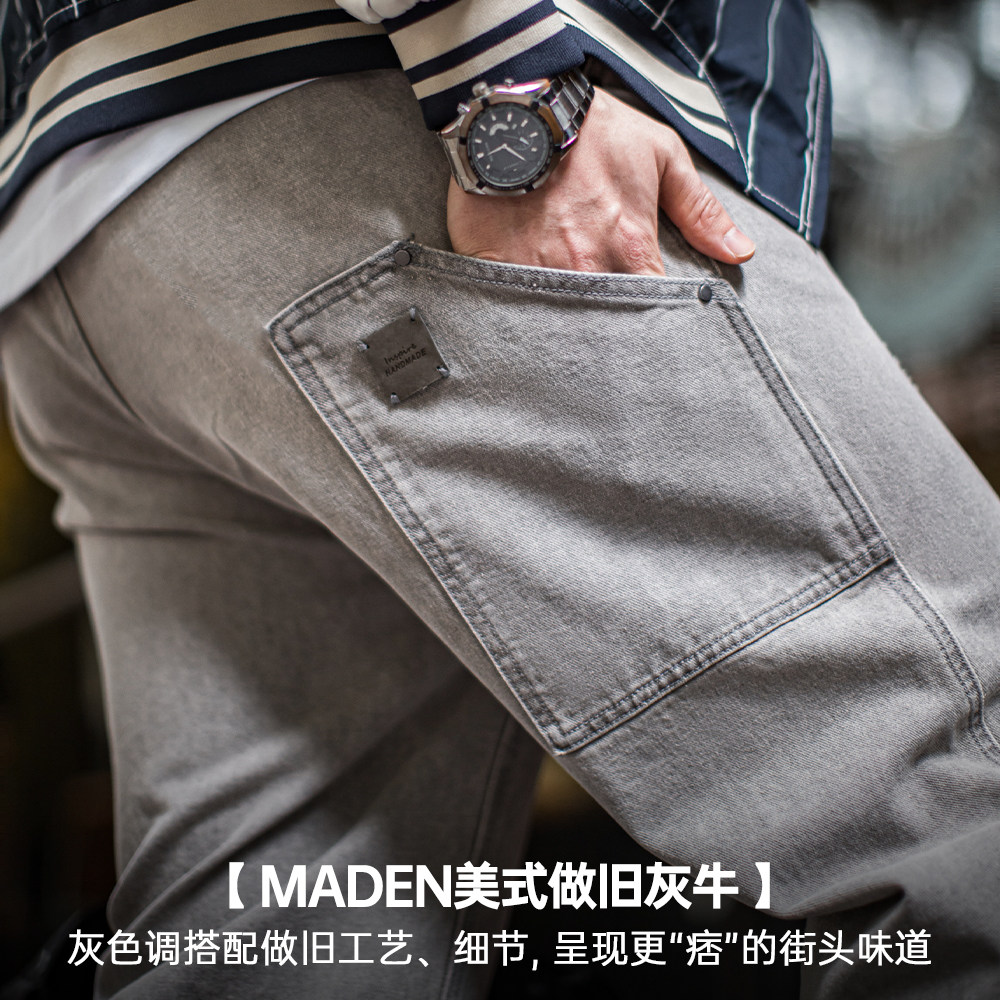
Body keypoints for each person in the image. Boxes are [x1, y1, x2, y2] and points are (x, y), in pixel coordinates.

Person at [1, 1, 998, 997]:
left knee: (289, 945)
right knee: (963, 804)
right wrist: (513, 83)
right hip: (374, 121)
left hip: (81, 239)